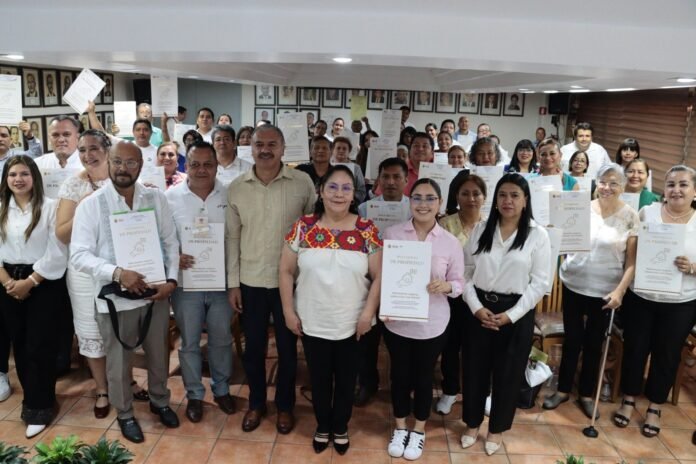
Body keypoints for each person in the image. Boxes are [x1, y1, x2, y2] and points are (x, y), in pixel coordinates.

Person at [70, 141, 181, 443]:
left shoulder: (155, 198)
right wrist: (118, 273)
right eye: (118, 161)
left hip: (155, 293)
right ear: (108, 163)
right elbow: (78, 255)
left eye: (131, 163)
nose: (123, 168)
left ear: (141, 166)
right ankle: (125, 413)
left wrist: (171, 280)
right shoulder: (91, 205)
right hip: (115, 299)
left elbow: (170, 242)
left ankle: (160, 401)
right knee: (118, 362)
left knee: (159, 355)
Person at [280, 165, 382, 455]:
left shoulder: (367, 230)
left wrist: (367, 314)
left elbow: (379, 276)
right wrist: (288, 311)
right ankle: (323, 425)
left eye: (346, 188)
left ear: (353, 194)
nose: (339, 194)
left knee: (348, 380)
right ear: (321, 191)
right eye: (333, 187)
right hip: (312, 319)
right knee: (319, 378)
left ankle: (340, 426)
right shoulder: (304, 227)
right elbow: (285, 271)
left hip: (353, 322)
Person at [226, 125, 316, 434]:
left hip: (290, 283)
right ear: (250, 148)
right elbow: (232, 238)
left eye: (272, 144)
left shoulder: (302, 183)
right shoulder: (237, 187)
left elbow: (312, 235)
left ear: (283, 148)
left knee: (289, 351)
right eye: (259, 144)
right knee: (253, 350)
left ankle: (285, 406)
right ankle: (256, 403)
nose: (265, 150)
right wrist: (233, 283)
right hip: (250, 281)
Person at [460, 173, 550, 455]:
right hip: (479, 309)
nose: (508, 201)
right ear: (495, 199)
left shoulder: (537, 234)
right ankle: (472, 424)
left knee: (508, 375)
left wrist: (512, 314)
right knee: (474, 370)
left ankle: (496, 429)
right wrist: (476, 308)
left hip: (516, 314)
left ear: (525, 201)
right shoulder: (481, 229)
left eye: (514, 195)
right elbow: (465, 272)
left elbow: (540, 283)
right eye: (502, 195)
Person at [543, 164, 638, 419]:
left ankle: (586, 394)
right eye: (603, 182)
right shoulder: (581, 207)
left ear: (623, 186)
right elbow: (560, 240)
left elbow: (631, 263)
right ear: (596, 183)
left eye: (614, 183)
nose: (607, 187)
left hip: (605, 291)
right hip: (574, 283)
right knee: (572, 340)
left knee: (594, 344)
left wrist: (619, 292)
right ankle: (562, 390)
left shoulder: (630, 216)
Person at [384, 178, 464, 461]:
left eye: (430, 198)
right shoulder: (393, 234)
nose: (423, 204)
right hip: (397, 321)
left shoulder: (450, 242)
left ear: (439, 203)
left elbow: (459, 283)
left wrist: (447, 286)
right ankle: (400, 427)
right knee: (399, 376)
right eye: (417, 197)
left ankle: (418, 430)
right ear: (410, 201)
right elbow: (382, 276)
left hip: (433, 324)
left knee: (423, 377)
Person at [613, 165, 696, 438]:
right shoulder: (647, 213)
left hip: (682, 303)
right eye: (671, 184)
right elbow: (631, 251)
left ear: (694, 191)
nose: (676, 190)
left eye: (683, 184)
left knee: (667, 354)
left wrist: (693, 267)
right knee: (635, 349)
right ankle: (628, 399)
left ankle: (655, 406)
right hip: (642, 297)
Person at [166, 141, 235, 423]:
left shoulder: (230, 194)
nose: (201, 170)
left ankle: (222, 389)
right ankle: (194, 394)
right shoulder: (170, 197)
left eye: (208, 164)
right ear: (187, 166)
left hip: (221, 283)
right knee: (190, 342)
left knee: (221, 340)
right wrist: (174, 257)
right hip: (186, 284)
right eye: (195, 164)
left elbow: (236, 236)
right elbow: (163, 237)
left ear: (217, 166)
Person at [0, 156, 68, 438]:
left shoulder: (51, 207)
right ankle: (34, 397)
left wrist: (30, 281)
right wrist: (8, 282)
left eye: (24, 174)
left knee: (40, 345)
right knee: (20, 344)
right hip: (7, 282)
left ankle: (39, 407)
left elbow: (58, 250)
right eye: (13, 174)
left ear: (35, 177)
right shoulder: (1, 209)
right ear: (5, 179)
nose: (18, 179)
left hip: (43, 281)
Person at [355, 158, 410, 406]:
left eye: (396, 177)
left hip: (403, 284)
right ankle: (368, 382)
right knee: (367, 339)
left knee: (400, 341)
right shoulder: (365, 210)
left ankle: (401, 386)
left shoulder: (414, 208)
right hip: (370, 281)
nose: (390, 182)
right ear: (378, 180)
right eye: (385, 176)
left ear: (406, 180)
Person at [435, 173, 486, 415]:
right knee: (450, 346)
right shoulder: (445, 224)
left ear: (484, 197)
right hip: (452, 296)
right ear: (457, 196)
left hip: (481, 297)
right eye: (465, 193)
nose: (471, 198)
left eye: (476, 193)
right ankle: (450, 390)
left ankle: (482, 392)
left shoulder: (491, 225)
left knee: (479, 348)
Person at [330, 136, 366, 203]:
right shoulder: (327, 166)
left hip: (350, 204)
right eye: (338, 148)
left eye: (344, 149)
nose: (341, 151)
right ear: (332, 150)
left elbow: (362, 191)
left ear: (349, 151)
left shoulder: (356, 168)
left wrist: (350, 196)